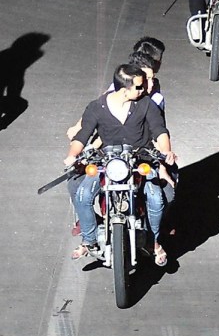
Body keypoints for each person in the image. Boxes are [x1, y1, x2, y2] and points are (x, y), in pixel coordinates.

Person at [64, 64, 177, 266]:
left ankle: (152, 241)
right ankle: (89, 240)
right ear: (125, 90)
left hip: (141, 161)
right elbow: (82, 136)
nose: (143, 90)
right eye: (139, 87)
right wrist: (72, 155)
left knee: (156, 199)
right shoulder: (96, 107)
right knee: (83, 194)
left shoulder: (146, 104)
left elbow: (160, 131)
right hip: (106, 163)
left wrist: (166, 151)